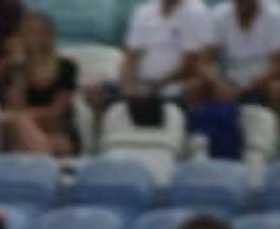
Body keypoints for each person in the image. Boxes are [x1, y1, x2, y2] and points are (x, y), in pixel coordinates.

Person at [83, 0, 213, 141]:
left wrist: (154, 86)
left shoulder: (196, 11)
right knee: (93, 90)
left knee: (197, 87)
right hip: (141, 84)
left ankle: (184, 141)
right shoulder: (144, 12)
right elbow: (130, 58)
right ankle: (100, 143)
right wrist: (127, 85)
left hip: (176, 85)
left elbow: (190, 64)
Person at [0, 12, 81, 157]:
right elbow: (15, 106)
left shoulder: (66, 67)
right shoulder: (14, 69)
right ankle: (44, 164)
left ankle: (42, 163)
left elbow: (56, 113)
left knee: (16, 121)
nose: (36, 38)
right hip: (21, 133)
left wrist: (23, 117)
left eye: (41, 32)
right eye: (30, 32)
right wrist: (19, 65)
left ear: (51, 36)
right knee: (14, 124)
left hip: (57, 130)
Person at [207, 0, 280, 116]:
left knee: (276, 88)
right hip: (231, 79)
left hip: (264, 79)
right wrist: (218, 83)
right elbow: (205, 61)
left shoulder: (276, 15)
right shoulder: (219, 15)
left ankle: (277, 128)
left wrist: (244, 87)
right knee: (198, 86)